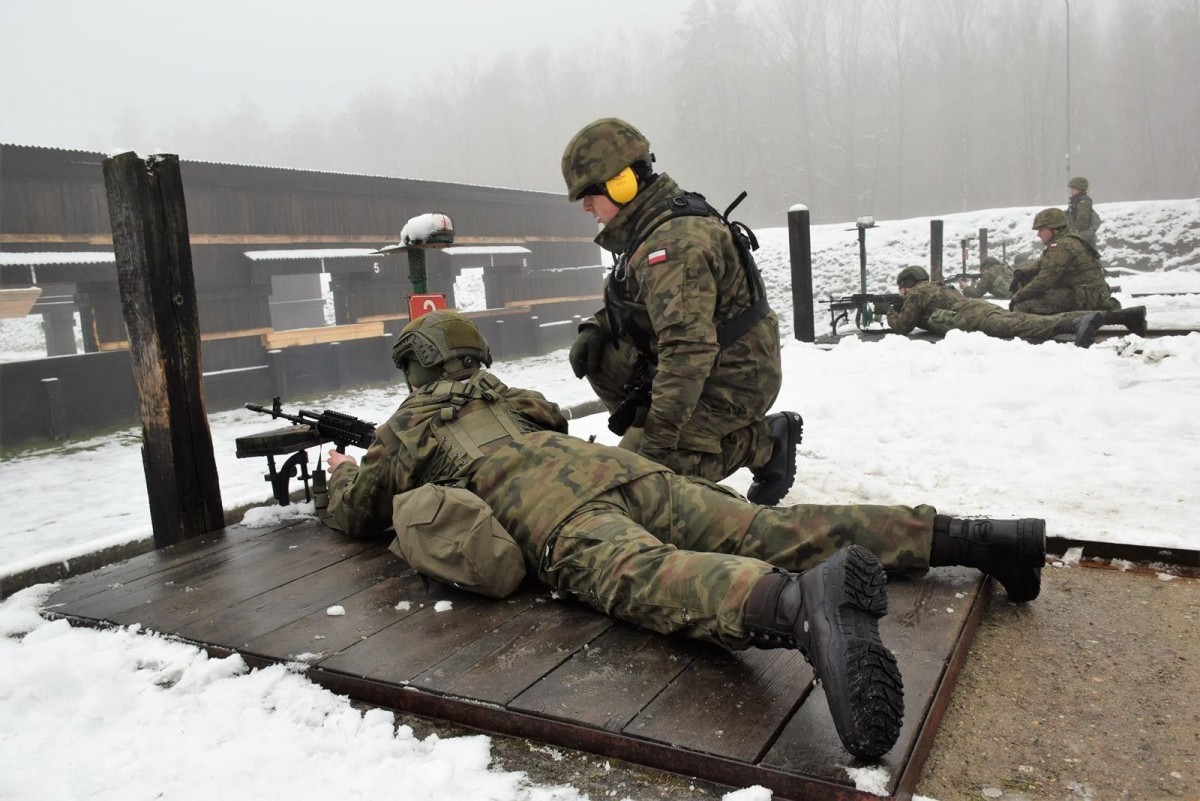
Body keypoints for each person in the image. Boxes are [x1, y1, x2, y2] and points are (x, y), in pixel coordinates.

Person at [325, 309, 1049, 763]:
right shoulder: (516, 398)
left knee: (648, 574)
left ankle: (799, 606)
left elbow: (357, 509)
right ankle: (976, 537)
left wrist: (339, 471)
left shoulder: (409, 427)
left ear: (415, 369)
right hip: (624, 471)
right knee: (771, 524)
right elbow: (543, 420)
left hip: (554, 512)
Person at [559, 117, 801, 506]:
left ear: (623, 183)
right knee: (603, 354)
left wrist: (655, 445)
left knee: (642, 490)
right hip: (713, 362)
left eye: (590, 192)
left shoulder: (672, 245)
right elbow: (646, 303)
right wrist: (598, 326)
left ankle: (765, 441)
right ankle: (674, 432)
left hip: (736, 378)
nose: (586, 205)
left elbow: (688, 351)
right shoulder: (651, 226)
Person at [884, 265, 1111, 347]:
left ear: (907, 284)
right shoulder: (937, 287)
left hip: (974, 318)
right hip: (977, 307)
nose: (901, 293)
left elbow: (903, 326)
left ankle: (1077, 322)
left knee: (1028, 325)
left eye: (901, 289)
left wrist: (890, 311)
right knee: (1025, 320)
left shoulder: (916, 293)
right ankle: (1107, 316)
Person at [1010, 207, 1125, 317]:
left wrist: (1017, 297)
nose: (1038, 234)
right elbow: (1041, 264)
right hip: (1089, 293)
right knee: (1027, 283)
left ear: (1054, 229)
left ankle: (1063, 324)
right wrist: (1021, 272)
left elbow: (1044, 280)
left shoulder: (1062, 246)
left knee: (1022, 307)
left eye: (1041, 230)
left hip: (1083, 297)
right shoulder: (1065, 241)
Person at [1066, 176, 1101, 246]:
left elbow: (1082, 219)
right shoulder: (1075, 201)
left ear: (1079, 189)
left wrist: (1073, 231)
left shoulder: (1083, 202)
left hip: (1082, 236)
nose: (1071, 191)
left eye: (1073, 189)